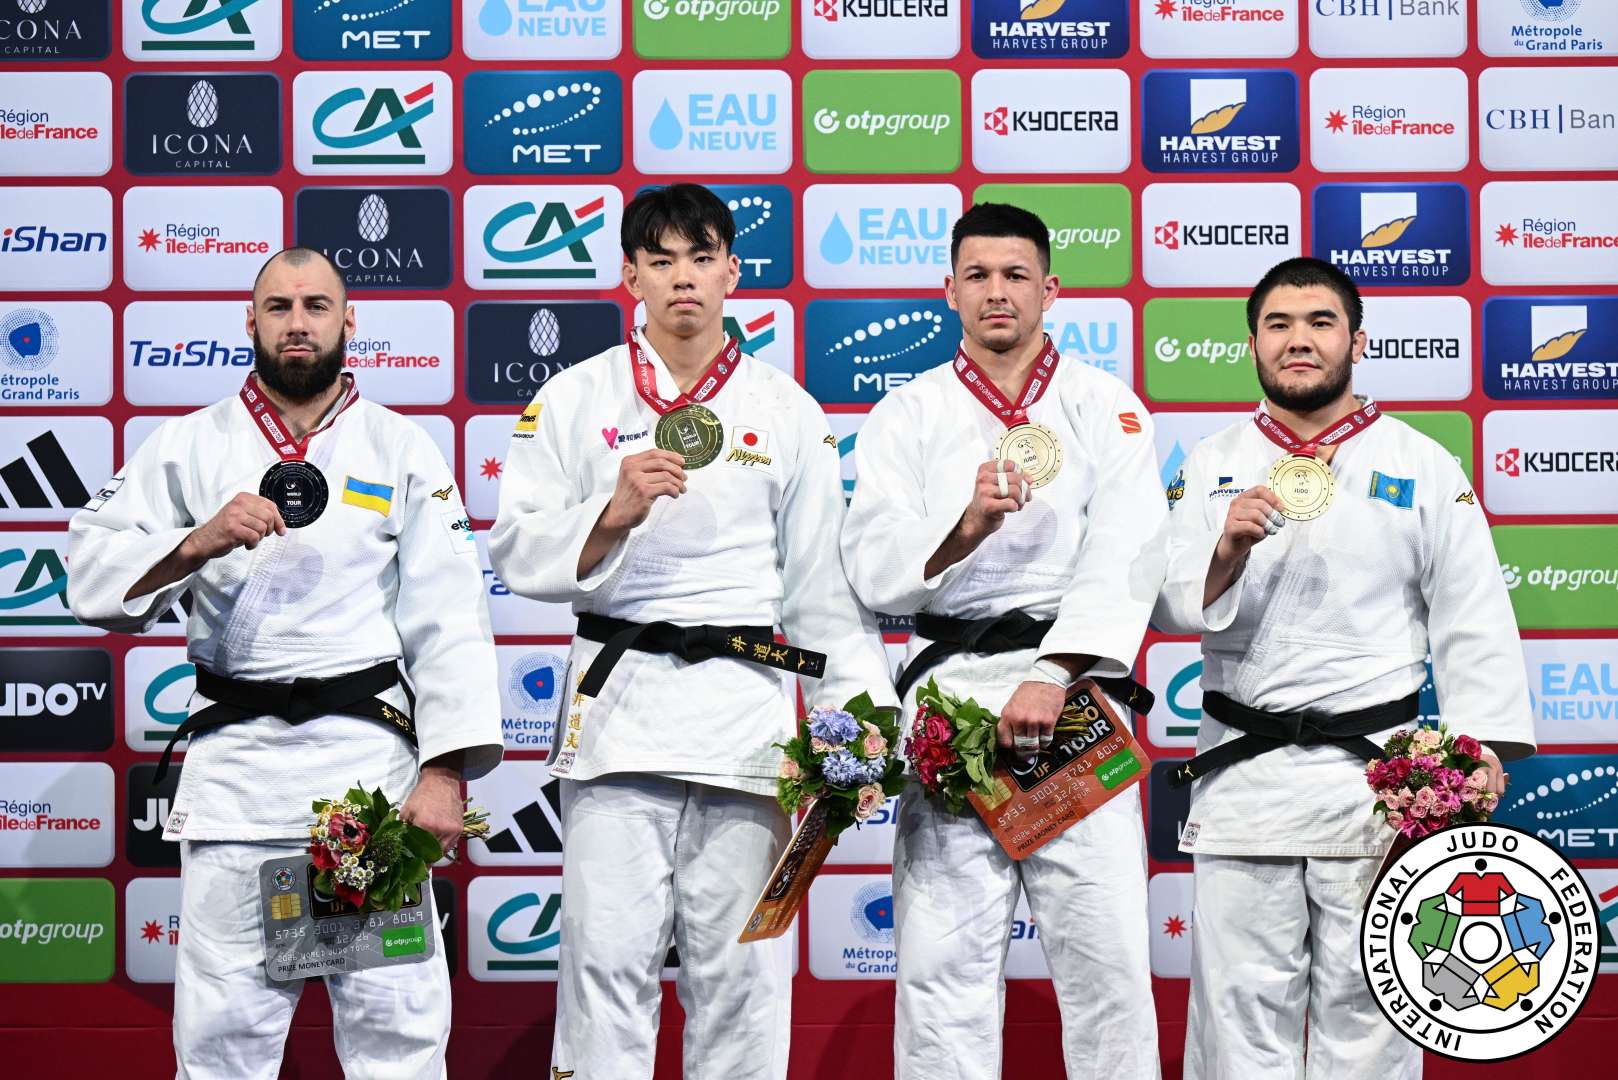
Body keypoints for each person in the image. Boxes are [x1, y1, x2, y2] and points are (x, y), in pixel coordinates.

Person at [488, 183, 893, 1080]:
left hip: (743, 723)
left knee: (744, 976)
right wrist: (610, 512)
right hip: (617, 717)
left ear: (732, 273)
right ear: (628, 272)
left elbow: (821, 592)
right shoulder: (570, 397)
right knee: (603, 967)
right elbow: (515, 548)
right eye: (662, 259)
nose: (683, 279)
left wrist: (859, 721)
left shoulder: (788, 410)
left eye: (702, 257)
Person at [67, 247, 502, 1080]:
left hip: (368, 795)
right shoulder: (188, 445)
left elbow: (450, 618)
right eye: (277, 307)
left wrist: (444, 773)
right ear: (251, 322)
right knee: (222, 1046)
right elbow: (88, 580)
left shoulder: (398, 447)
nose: (296, 323)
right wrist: (195, 543)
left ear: (348, 322)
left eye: (314, 305)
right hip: (239, 787)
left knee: (395, 1043)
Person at [1153, 256, 1532, 1079]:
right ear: (1251, 344)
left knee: (1374, 1017)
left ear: (1357, 340)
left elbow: (1472, 614)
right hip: (1245, 778)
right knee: (1238, 1015)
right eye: (1279, 325)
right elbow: (1168, 606)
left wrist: (1481, 746)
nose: (1299, 341)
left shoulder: (1425, 463)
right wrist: (1225, 550)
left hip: (1380, 786)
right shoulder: (1211, 462)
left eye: (1320, 323)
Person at [840, 202, 1165, 1080]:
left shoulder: (1106, 406)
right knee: (942, 978)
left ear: (1050, 289)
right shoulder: (905, 415)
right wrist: (966, 527)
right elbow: (873, 571)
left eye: (1016, 274)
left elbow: (1131, 552)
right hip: (948, 706)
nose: (997, 292)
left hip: (1073, 707)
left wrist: (1054, 672)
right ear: (948, 290)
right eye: (977, 275)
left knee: (1107, 973)